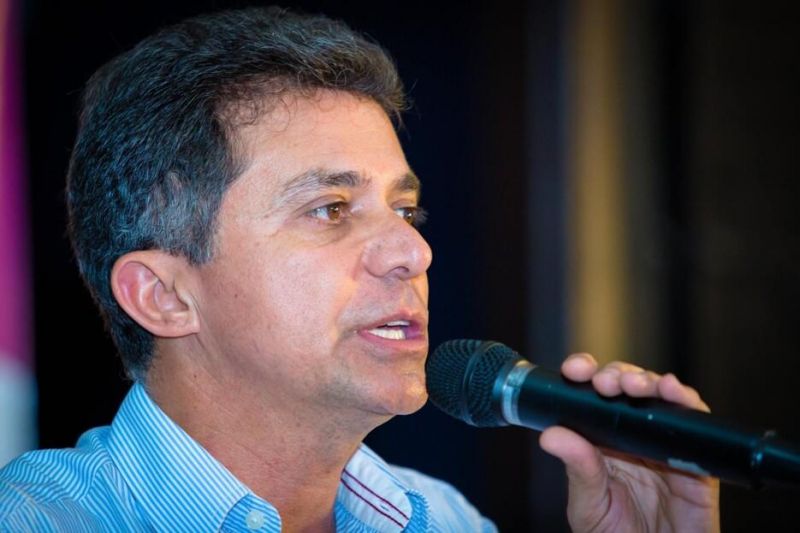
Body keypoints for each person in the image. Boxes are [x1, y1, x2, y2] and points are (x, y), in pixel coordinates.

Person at [0, 7, 719, 531]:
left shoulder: (443, 518)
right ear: (163, 295)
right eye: (331, 209)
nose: (413, 253)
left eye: (406, 210)